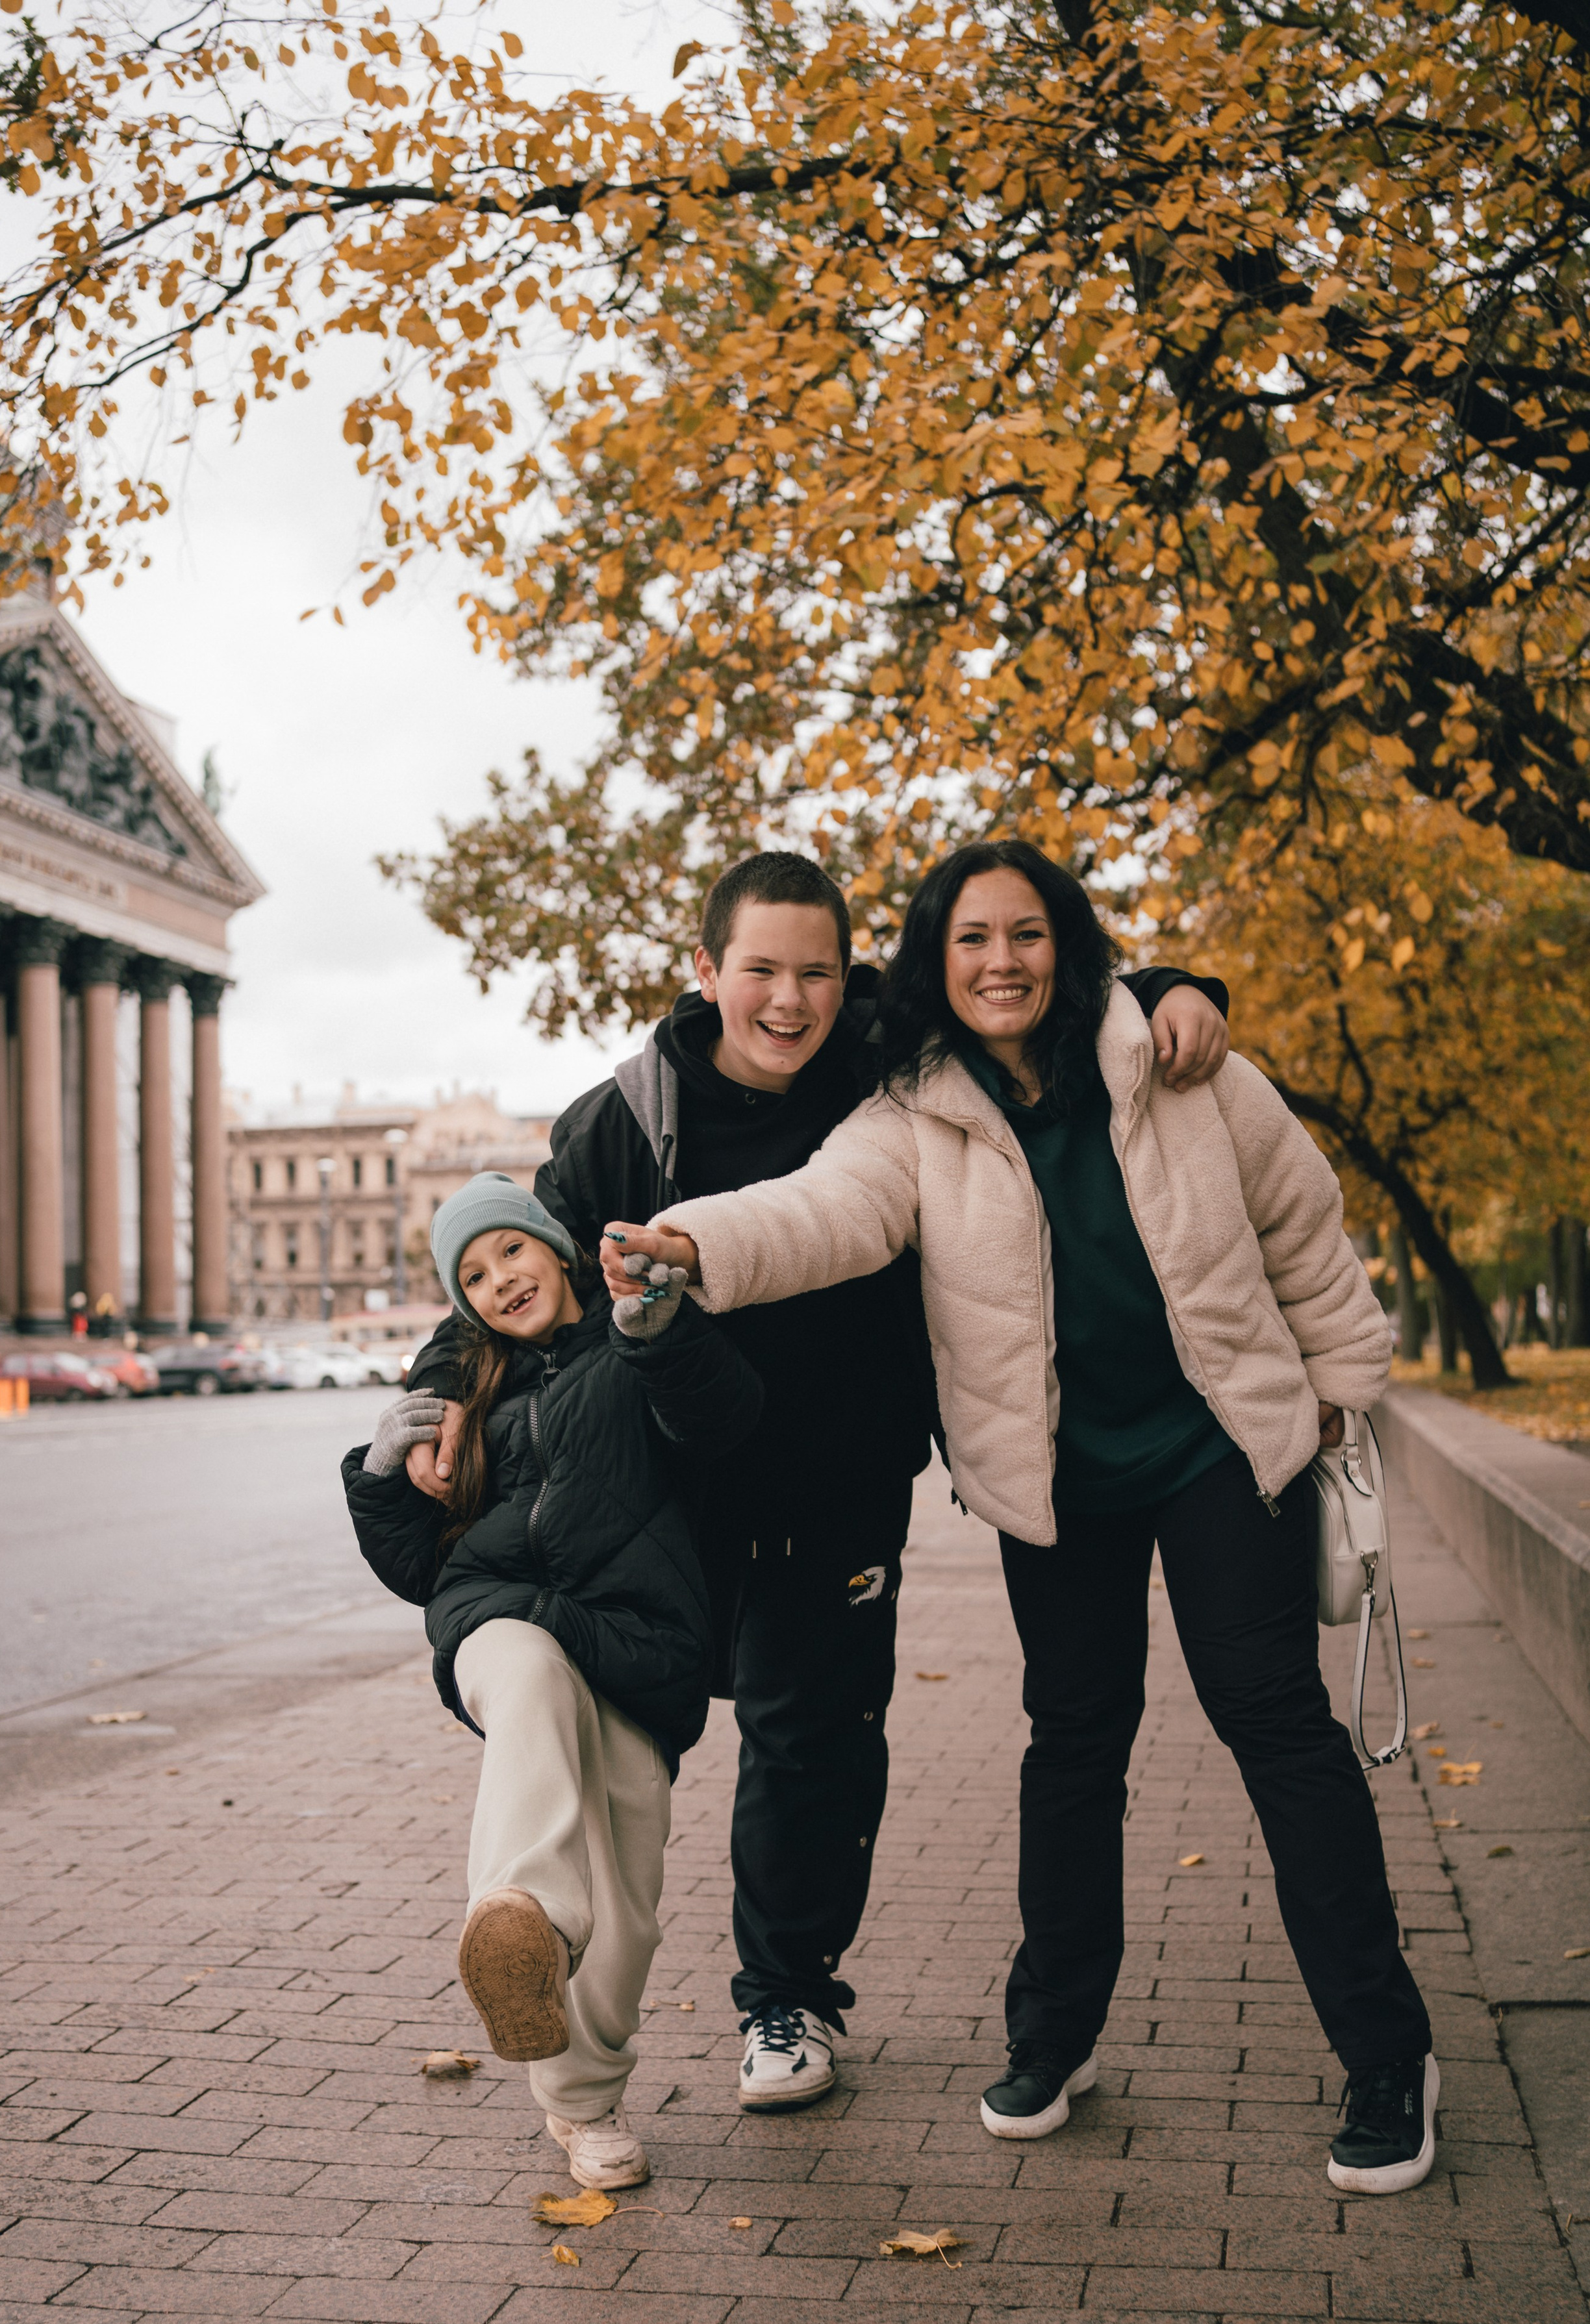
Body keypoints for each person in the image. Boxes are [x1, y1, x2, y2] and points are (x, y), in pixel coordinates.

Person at [603, 839, 1438, 2197]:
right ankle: (1055, 2036)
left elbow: (1302, 1227)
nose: (1003, 962)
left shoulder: (1180, 1062)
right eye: (972, 940)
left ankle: (1388, 2056)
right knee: (1072, 1749)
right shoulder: (913, 1115)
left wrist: (1345, 1393)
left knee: (1275, 1726)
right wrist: (692, 1246)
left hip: (1223, 1450)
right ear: (934, 965)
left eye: (1028, 933)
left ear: (1070, 946)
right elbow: (821, 1211)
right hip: (1057, 1483)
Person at [407, 850, 1232, 2110]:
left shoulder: (890, 1064)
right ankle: (557, 1976)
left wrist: (1176, 987)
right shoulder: (620, 1122)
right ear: (705, 971)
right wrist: (432, 1403)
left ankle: (785, 2001)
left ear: (853, 979)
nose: (789, 1001)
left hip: (838, 1480)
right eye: (760, 971)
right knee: (625, 1751)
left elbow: (1032, 1000)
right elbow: (513, 1277)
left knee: (813, 1745)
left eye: (818, 974)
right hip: (666, 1495)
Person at [343, 1170, 761, 2191]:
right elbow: (417, 1566)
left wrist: (659, 1335)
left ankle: (584, 2106)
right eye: (474, 1277)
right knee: (526, 1680)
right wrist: (381, 1473)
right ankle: (525, 1918)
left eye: (511, 1251)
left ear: (554, 1248)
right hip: (497, 1612)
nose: (500, 1281)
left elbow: (727, 1425)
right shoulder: (468, 1387)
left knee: (629, 1906)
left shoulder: (631, 1341)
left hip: (631, 1638)